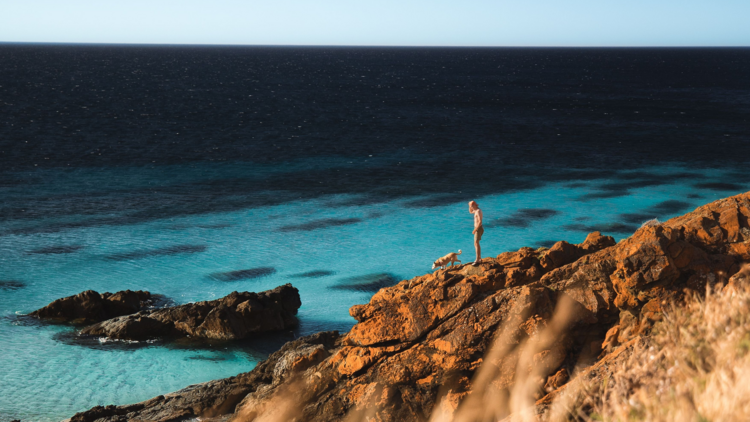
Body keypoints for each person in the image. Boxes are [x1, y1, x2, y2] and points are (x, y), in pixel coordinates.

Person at [469, 200, 483, 265]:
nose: (471, 207)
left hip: (478, 229)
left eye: (472, 206)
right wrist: (469, 206)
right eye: (470, 206)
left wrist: (475, 229)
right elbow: (471, 212)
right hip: (478, 229)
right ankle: (479, 258)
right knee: (476, 243)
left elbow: (480, 222)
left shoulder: (478, 211)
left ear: (475, 205)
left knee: (476, 243)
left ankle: (477, 259)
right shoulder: (475, 210)